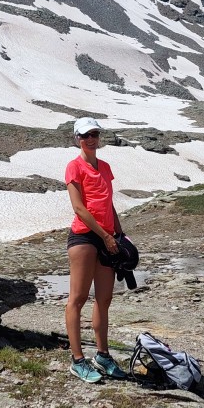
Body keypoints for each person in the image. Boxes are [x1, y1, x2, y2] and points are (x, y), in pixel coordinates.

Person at [64, 117, 128, 383]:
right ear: (77, 138)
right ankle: (77, 360)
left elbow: (108, 203)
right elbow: (79, 208)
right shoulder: (74, 167)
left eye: (94, 134)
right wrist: (104, 235)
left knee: (104, 299)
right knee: (77, 299)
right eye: (85, 135)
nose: (90, 139)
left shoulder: (105, 167)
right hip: (84, 237)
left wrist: (119, 233)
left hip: (108, 237)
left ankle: (102, 355)